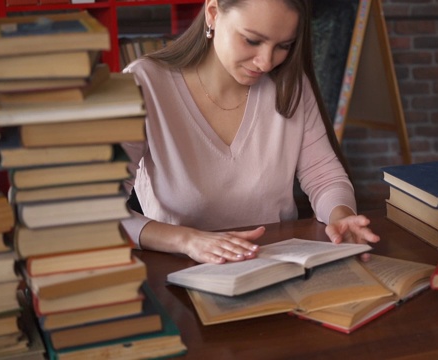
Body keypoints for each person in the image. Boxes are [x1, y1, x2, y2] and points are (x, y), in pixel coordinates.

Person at [121, 0, 379, 264]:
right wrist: (187, 240)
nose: (266, 63)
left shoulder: (289, 84)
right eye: (252, 40)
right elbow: (96, 213)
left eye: (283, 46)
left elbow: (324, 177)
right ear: (212, 13)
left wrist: (341, 216)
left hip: (278, 266)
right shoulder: (145, 83)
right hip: (179, 272)